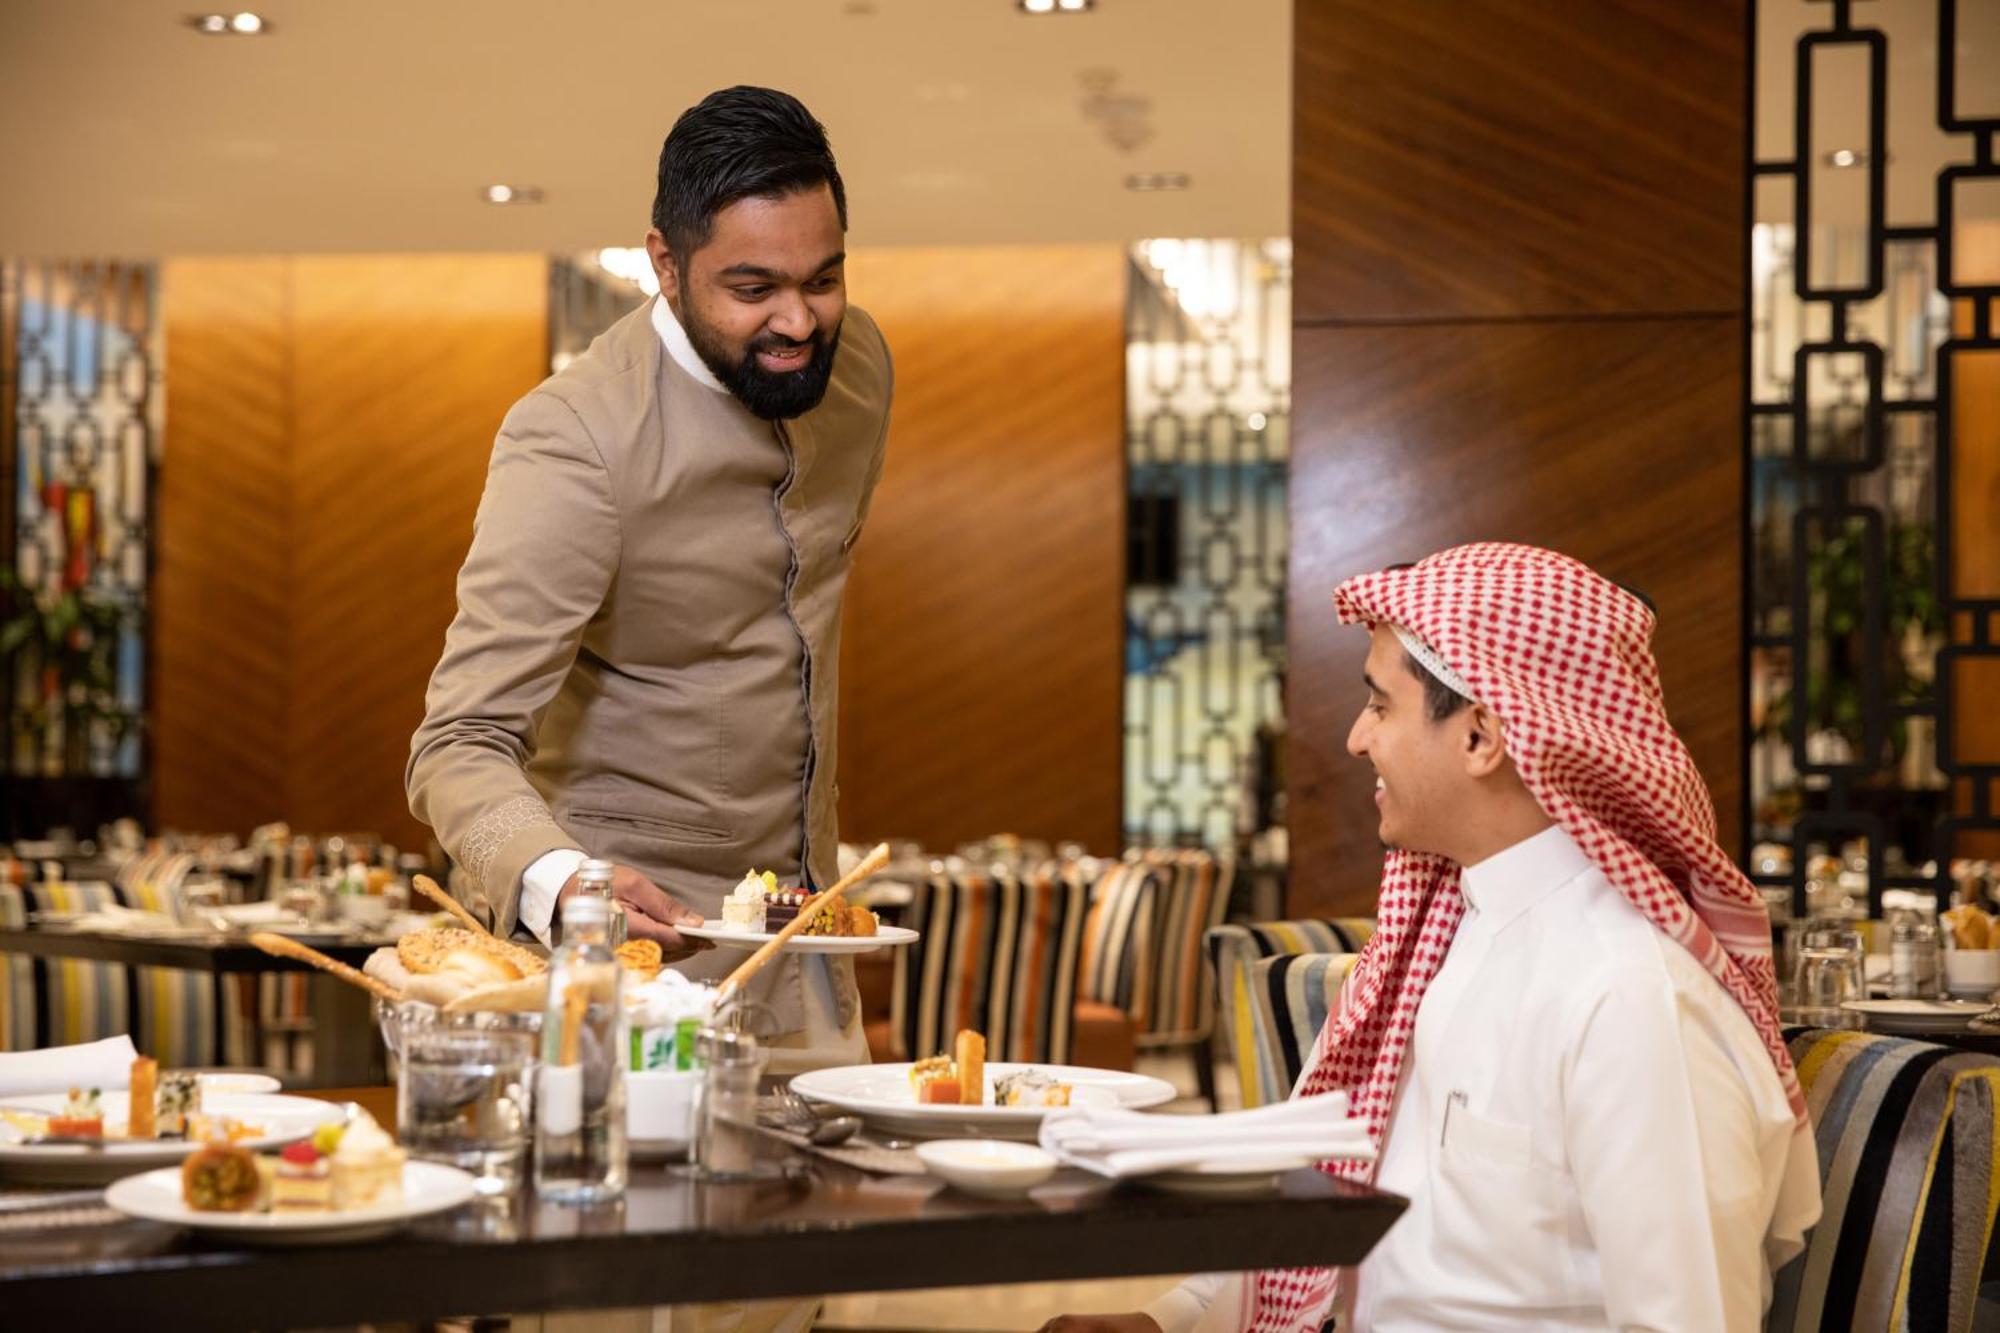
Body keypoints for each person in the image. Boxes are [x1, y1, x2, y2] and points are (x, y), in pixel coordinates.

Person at [1045, 542, 1820, 1332]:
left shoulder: (1631, 998)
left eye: (1380, 705)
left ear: (1482, 736)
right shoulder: (1429, 941)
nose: (1356, 737)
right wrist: (1161, 1323)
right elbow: (1308, 1244)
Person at [408, 85, 892, 1074]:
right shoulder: (574, 438)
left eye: (823, 278)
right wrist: (563, 883)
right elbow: (457, 742)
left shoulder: (860, 372)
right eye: (752, 289)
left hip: (807, 967)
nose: (798, 322)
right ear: (663, 264)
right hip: (621, 995)